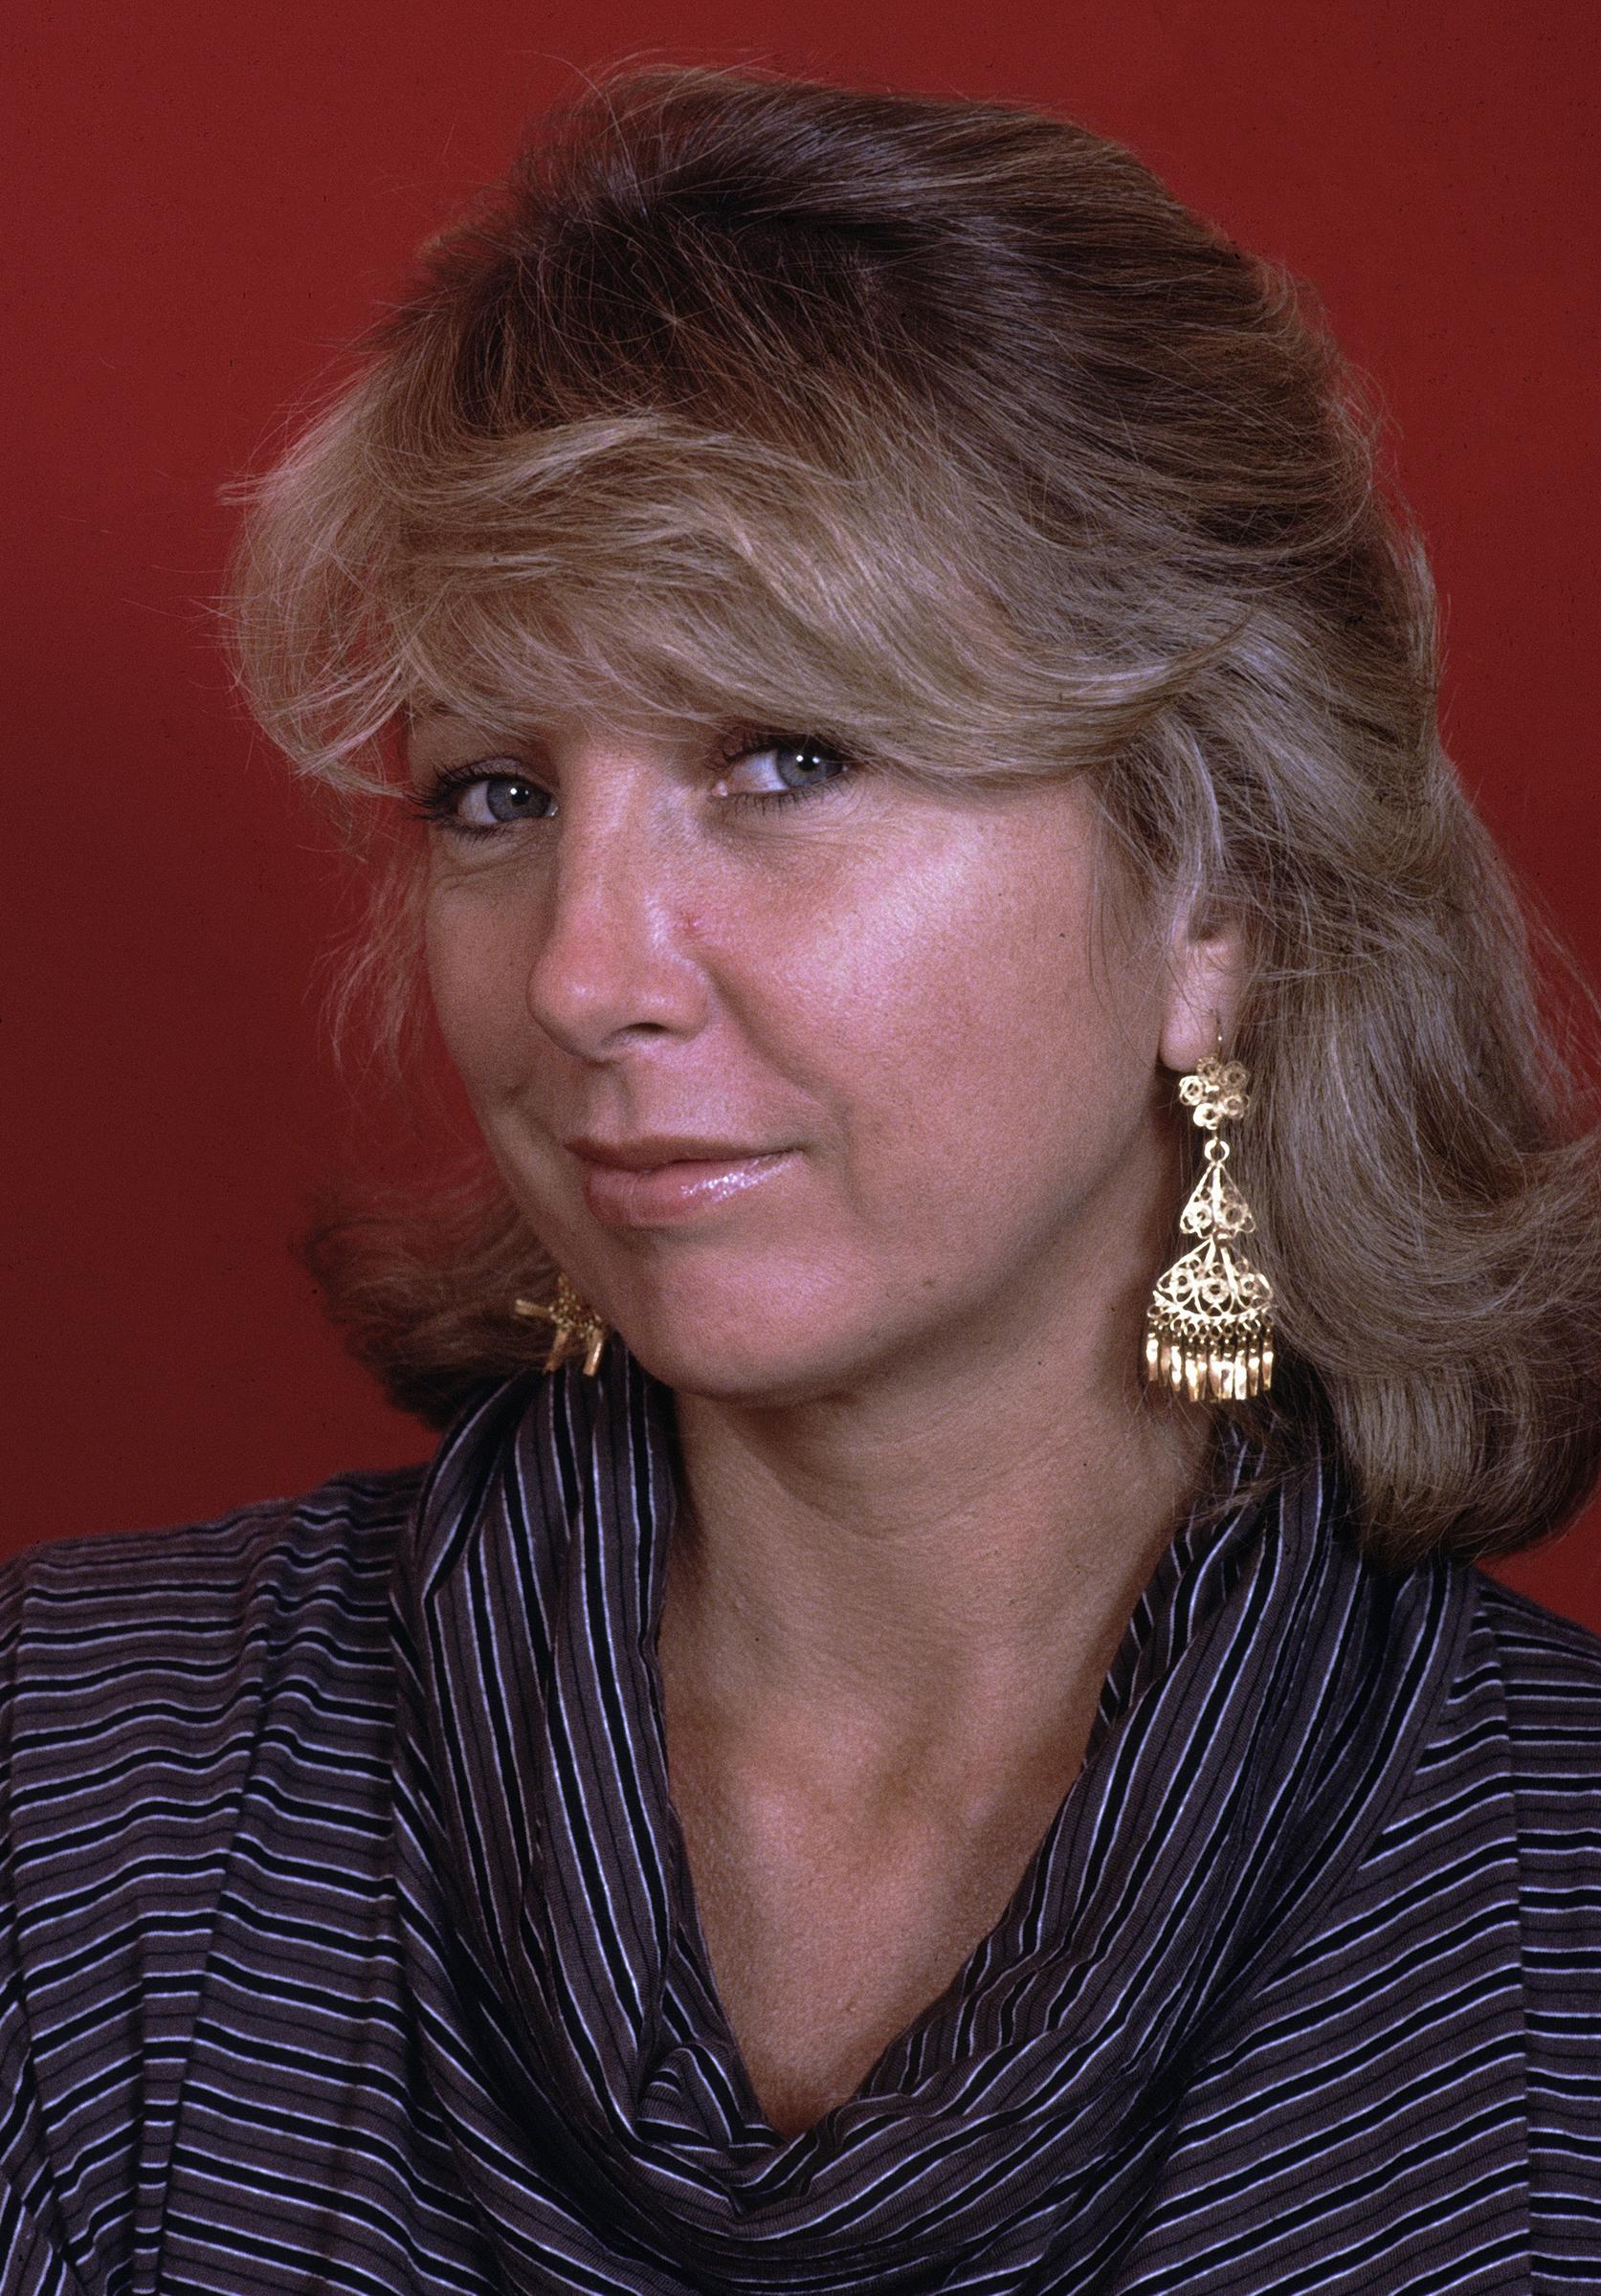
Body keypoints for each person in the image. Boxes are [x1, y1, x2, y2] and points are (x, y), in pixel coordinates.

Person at [4, 60, 1599, 2296]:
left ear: (1217, 899)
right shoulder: (77, 1808)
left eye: (786, 756)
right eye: (492, 795)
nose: (582, 974)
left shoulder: (1558, 1962)